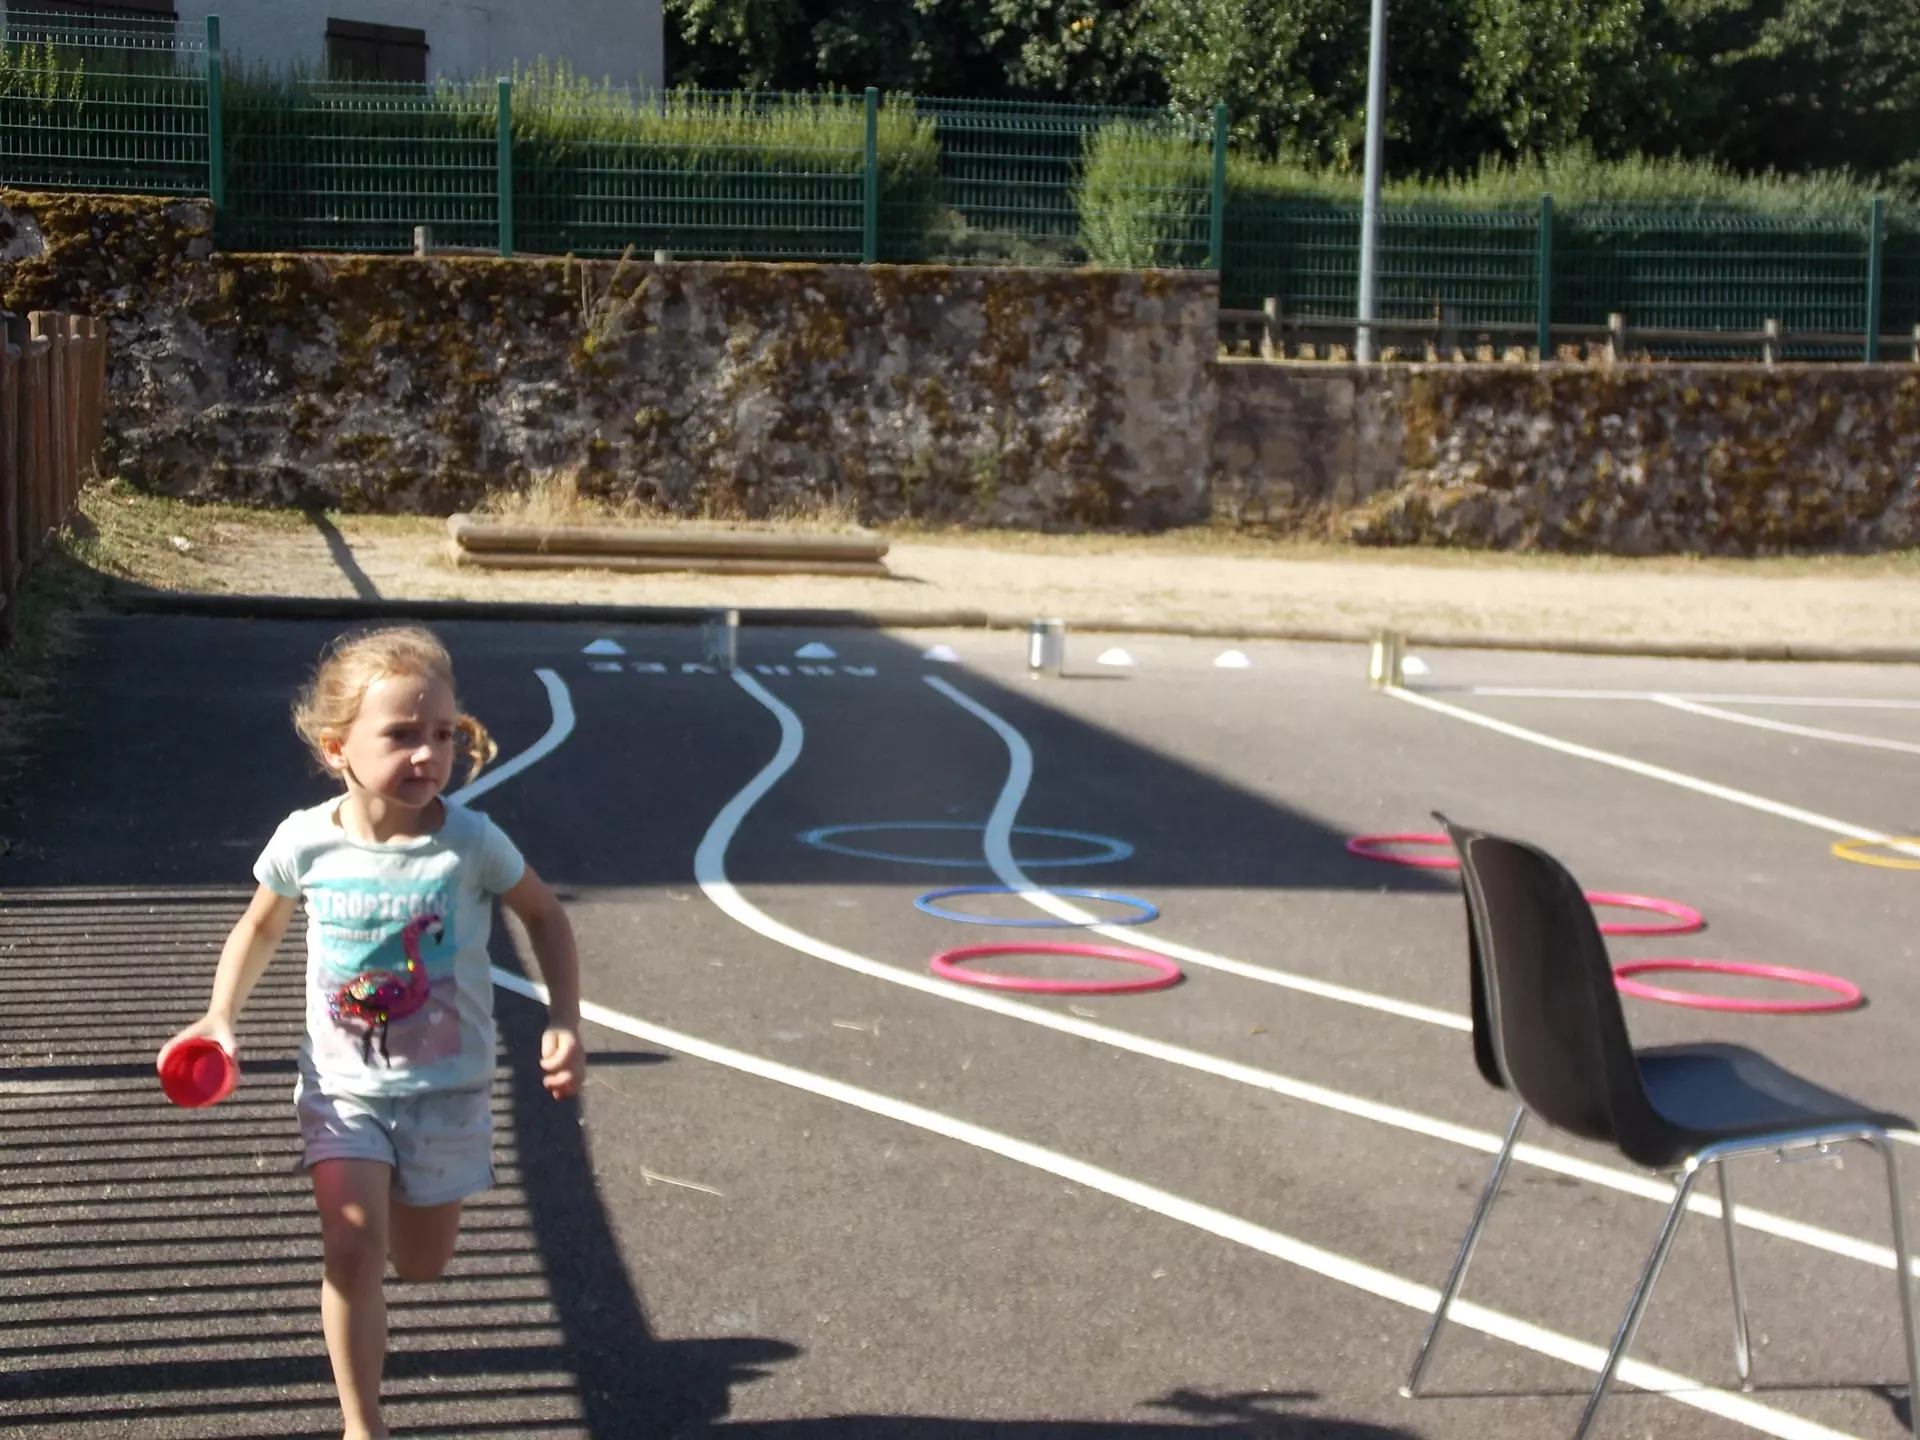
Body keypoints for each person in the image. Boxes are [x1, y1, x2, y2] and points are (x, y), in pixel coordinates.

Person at [163, 625, 584, 1440]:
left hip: (446, 1093)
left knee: (421, 1265)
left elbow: (547, 918)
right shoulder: (305, 840)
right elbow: (258, 929)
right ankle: (364, 1427)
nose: (427, 755)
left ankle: (401, 1187)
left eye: (443, 736)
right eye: (401, 734)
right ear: (337, 748)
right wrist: (221, 1015)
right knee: (352, 1252)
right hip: (342, 1088)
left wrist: (564, 1019)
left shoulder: (471, 844)